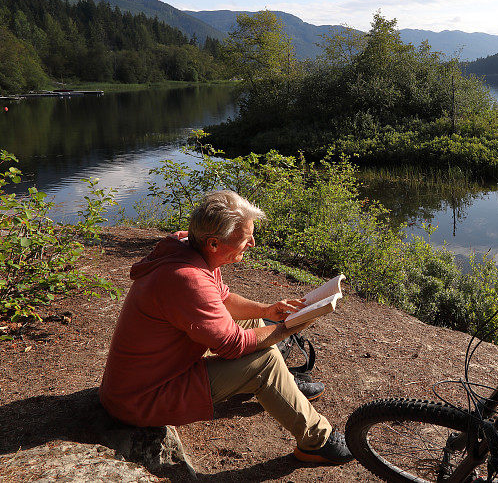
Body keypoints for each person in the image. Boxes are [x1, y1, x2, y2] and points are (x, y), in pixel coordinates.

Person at [99, 189, 352, 464]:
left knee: (255, 322)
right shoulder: (186, 279)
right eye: (245, 238)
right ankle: (316, 441)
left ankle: (285, 389)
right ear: (214, 244)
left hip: (146, 377)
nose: (252, 243)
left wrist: (267, 311)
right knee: (264, 362)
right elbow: (234, 345)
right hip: (142, 399)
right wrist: (290, 327)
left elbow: (221, 298)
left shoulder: (189, 248)